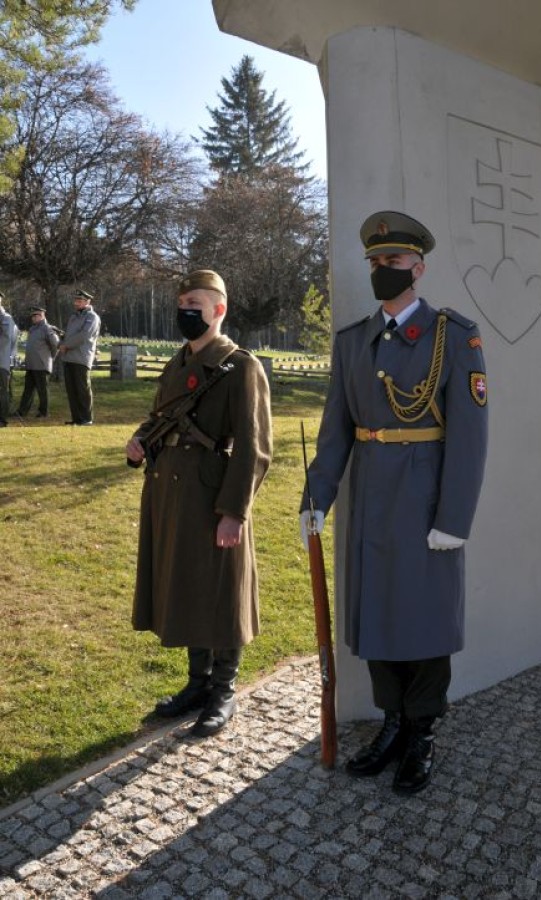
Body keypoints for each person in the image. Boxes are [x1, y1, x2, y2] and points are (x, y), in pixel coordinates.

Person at [299, 211, 488, 794]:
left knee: (424, 618)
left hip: (426, 498)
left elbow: (471, 436)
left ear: (418, 268)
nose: (385, 269)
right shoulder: (352, 341)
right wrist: (317, 496)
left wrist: (454, 519)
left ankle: (422, 733)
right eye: (377, 261)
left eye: (395, 261)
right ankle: (392, 723)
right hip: (371, 499)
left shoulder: (453, 336)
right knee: (378, 612)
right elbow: (336, 430)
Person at [126, 269, 272, 738]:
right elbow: (161, 416)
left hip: (213, 494)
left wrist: (234, 511)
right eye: (183, 303)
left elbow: (254, 447)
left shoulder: (240, 366)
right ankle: (198, 683)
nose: (186, 311)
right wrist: (139, 440)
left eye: (197, 304)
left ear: (219, 310)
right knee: (189, 584)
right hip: (172, 492)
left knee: (221, 590)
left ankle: (223, 690)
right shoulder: (178, 362)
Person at [58, 289, 101, 425]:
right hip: (69, 357)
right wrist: (61, 340)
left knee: (82, 390)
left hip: (82, 357)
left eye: (79, 300)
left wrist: (66, 345)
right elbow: (70, 335)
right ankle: (76, 419)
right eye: (75, 300)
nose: (76, 303)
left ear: (87, 301)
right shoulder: (73, 317)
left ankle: (86, 419)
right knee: (72, 390)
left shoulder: (92, 317)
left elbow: (84, 336)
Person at [15, 306, 60, 419]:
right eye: (32, 316)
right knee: (28, 390)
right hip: (31, 364)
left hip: (41, 364)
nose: (33, 318)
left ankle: (44, 412)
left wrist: (50, 358)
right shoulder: (32, 329)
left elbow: (55, 345)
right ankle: (22, 411)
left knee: (42, 390)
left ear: (42, 315)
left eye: (35, 315)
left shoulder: (47, 328)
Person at [0, 293, 19, 427]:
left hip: (2, 361)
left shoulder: (6, 318)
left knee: (3, 391)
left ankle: (2, 419)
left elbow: (6, 340)